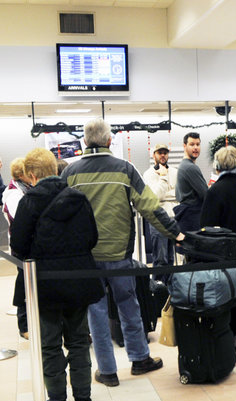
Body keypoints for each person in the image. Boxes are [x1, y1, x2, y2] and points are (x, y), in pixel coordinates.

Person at [62, 119, 184, 386]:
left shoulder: (70, 172)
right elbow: (150, 206)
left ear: (84, 142)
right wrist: (175, 232)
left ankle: (107, 371)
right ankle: (139, 358)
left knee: (96, 310)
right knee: (129, 305)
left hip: (87, 257)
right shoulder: (124, 169)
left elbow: (61, 214)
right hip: (120, 255)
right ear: (109, 141)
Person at [11, 148, 104, 401]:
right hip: (78, 279)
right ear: (55, 168)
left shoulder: (29, 203)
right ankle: (84, 399)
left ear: (31, 175)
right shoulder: (79, 198)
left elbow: (18, 245)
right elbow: (92, 238)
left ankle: (58, 400)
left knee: (49, 342)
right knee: (78, 339)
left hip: (44, 283)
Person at [200, 146, 236, 358]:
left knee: (226, 298)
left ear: (218, 165)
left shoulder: (215, 191)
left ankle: (230, 345)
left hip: (223, 255)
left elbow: (205, 226)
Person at [2, 157, 32, 339]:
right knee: (23, 284)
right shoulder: (14, 193)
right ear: (21, 174)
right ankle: (24, 325)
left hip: (29, 245)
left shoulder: (26, 189)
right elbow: (20, 219)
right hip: (21, 246)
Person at [142, 144, 178, 280]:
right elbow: (155, 197)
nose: (163, 155)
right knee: (160, 259)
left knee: (170, 258)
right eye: (160, 153)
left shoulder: (175, 172)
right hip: (158, 220)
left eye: (165, 153)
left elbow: (178, 195)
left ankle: (169, 292)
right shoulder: (148, 174)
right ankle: (157, 290)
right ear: (154, 155)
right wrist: (163, 179)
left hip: (173, 219)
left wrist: (166, 195)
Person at [174, 132, 206, 234]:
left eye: (198, 144)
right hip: (192, 218)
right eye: (192, 144)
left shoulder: (184, 165)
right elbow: (206, 194)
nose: (195, 147)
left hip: (187, 218)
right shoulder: (190, 167)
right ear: (184, 146)